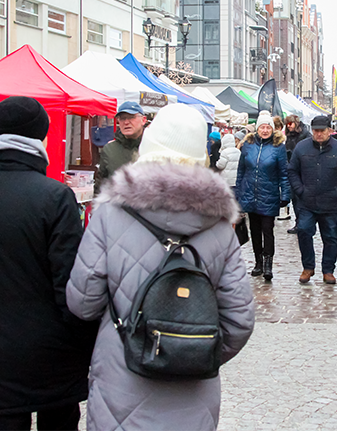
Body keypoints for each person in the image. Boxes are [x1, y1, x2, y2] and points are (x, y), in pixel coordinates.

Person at [66, 103, 254, 431]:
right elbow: (239, 320)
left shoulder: (110, 214)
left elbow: (83, 302)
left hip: (120, 379)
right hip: (192, 392)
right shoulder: (222, 227)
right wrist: (189, 349)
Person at [0, 96, 97, 430]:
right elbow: (71, 284)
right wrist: (80, 340)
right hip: (52, 350)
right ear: (40, 139)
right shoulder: (55, 197)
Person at [287, 115, 337, 285]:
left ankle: (328, 270)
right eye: (316, 131)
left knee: (330, 237)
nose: (318, 134)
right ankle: (308, 267)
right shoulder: (301, 148)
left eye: (322, 131)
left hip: (330, 201)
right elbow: (292, 171)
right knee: (304, 231)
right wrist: (299, 190)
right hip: (307, 201)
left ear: (329, 131)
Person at [235, 111, 291, 281]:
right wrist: (239, 192)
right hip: (250, 193)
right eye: (262, 127)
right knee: (255, 230)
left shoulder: (278, 147)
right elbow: (241, 171)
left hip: (269, 194)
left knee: (268, 230)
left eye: (268, 127)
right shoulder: (248, 146)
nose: (265, 130)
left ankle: (268, 264)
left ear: (272, 129)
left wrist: (285, 193)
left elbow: (283, 173)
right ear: (257, 129)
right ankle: (258, 262)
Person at [97, 101, 146, 190]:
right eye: (122, 118)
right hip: (117, 202)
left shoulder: (153, 146)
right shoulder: (110, 149)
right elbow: (100, 185)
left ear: (144, 120)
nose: (126, 122)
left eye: (131, 117)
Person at [284, 115, 310, 234]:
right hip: (292, 170)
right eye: (287, 124)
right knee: (294, 198)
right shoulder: (289, 136)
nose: (289, 126)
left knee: (302, 199)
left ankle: (304, 223)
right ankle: (299, 222)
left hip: (304, 171)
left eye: (291, 124)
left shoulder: (305, 135)